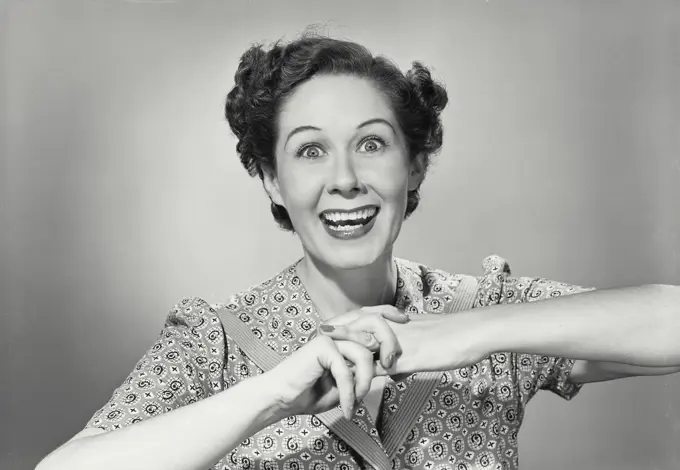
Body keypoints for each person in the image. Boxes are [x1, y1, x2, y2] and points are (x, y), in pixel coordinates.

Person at [36, 34, 680, 470]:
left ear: (416, 165)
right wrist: (272, 394)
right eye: (310, 150)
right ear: (270, 178)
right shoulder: (219, 341)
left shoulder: (481, 310)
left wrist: (461, 337)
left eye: (372, 144)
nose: (344, 178)